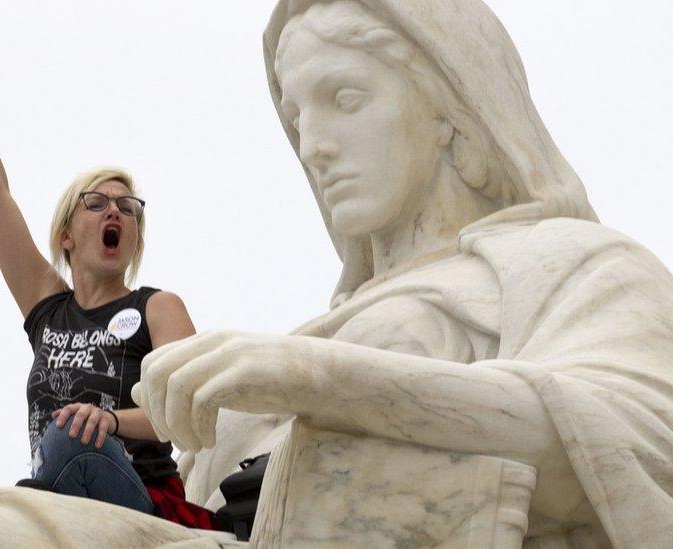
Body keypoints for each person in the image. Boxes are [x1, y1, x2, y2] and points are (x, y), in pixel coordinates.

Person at [135, 1, 673, 546]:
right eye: (298, 121)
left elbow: (627, 450)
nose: (314, 147)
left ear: (449, 109)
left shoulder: (571, 264)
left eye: (345, 99)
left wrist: (327, 382)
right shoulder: (298, 342)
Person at [0, 29, 214, 528]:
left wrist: (113, 420)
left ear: (134, 240)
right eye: (96, 203)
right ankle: (9, 522)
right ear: (67, 235)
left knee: (67, 435)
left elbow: (191, 415)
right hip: (56, 491)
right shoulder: (47, 305)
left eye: (127, 207)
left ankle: (2, 520)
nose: (113, 211)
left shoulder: (156, 306)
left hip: (132, 489)